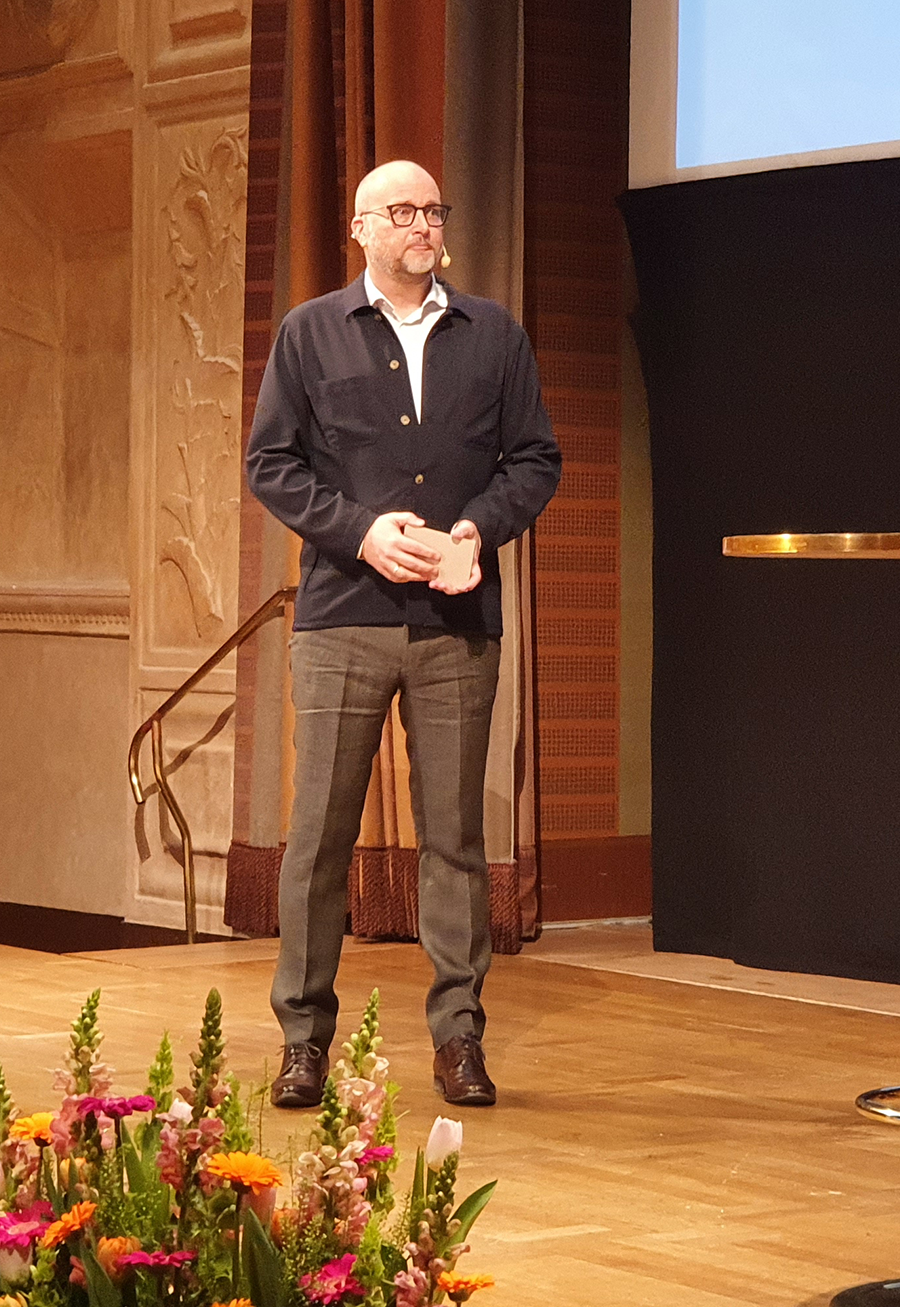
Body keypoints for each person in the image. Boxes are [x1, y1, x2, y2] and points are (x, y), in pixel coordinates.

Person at [246, 159, 561, 1110]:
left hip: (455, 619)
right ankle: (304, 1042)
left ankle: (459, 1039)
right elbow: (272, 464)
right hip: (343, 617)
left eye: (432, 209)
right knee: (319, 835)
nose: (421, 224)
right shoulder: (310, 333)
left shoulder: (493, 334)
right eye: (401, 211)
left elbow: (535, 459)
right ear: (361, 229)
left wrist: (474, 531)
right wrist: (360, 530)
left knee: (456, 838)